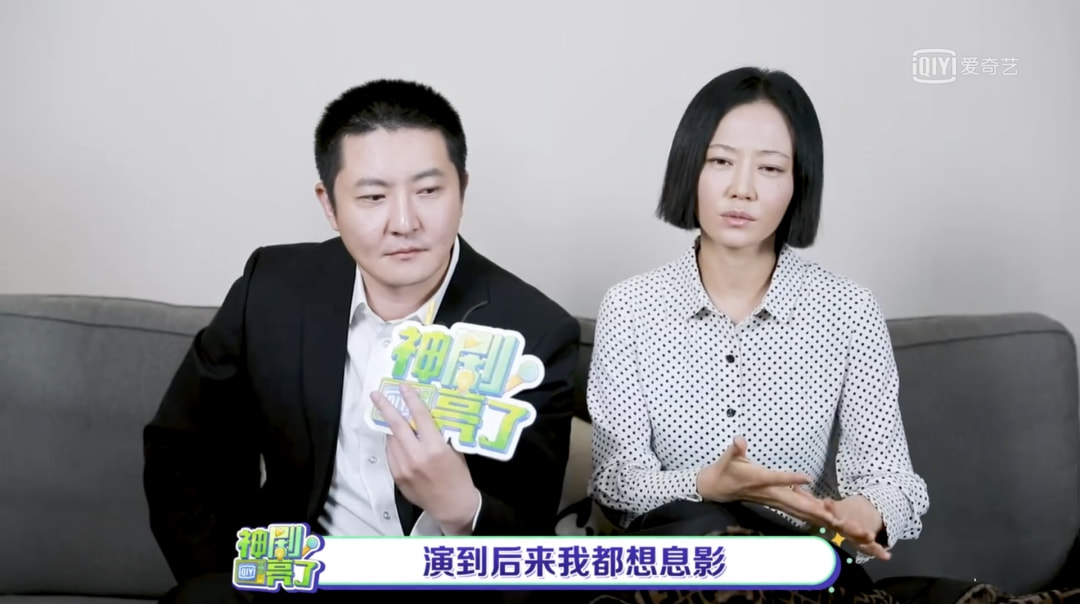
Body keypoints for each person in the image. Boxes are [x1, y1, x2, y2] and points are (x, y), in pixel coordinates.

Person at [143, 79, 580, 603]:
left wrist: (462, 508)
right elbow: (183, 450)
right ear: (329, 205)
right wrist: (230, 576)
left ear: (462, 189)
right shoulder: (272, 287)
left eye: (428, 191)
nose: (404, 223)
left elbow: (531, 548)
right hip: (296, 577)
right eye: (373, 197)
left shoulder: (534, 331)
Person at [585, 66, 930, 595]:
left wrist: (857, 514)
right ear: (689, 168)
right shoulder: (631, 307)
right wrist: (707, 485)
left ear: (798, 183)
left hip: (798, 569)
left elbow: (892, 480)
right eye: (720, 161)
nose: (741, 189)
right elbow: (615, 482)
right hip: (676, 568)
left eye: (769, 168)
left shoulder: (848, 311)